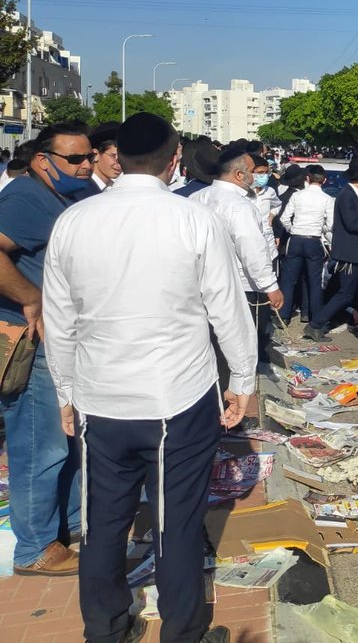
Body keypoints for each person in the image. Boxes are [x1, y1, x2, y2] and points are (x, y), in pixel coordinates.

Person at [42, 113, 256, 642]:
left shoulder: (75, 221)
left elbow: (59, 318)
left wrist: (65, 393)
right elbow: (227, 310)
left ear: (114, 157)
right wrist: (243, 381)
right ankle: (182, 631)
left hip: (100, 400)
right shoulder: (192, 220)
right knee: (177, 527)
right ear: (174, 157)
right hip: (175, 400)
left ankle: (106, 629)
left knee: (102, 526)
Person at [0, 123, 88, 578]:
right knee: (39, 443)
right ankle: (34, 547)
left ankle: (66, 527)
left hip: (60, 340)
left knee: (67, 440)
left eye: (88, 157)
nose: (86, 165)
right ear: (42, 160)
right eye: (75, 160)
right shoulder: (24, 199)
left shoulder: (64, 197)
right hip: (31, 340)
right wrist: (29, 297)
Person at [193, 147, 285, 368]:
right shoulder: (239, 206)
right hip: (240, 287)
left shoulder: (197, 197)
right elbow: (251, 247)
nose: (257, 177)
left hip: (202, 283)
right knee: (240, 346)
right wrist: (270, 286)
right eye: (253, 171)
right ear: (239, 175)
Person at [305, 155, 358, 342]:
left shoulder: (352, 195)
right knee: (345, 294)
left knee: (357, 290)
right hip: (349, 254)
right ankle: (315, 324)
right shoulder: (347, 196)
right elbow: (353, 224)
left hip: (354, 253)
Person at [278, 166, 334, 325]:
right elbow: (330, 225)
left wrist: (293, 228)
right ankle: (315, 318)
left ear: (307, 179)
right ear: (324, 180)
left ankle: (283, 316)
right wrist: (319, 228)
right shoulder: (327, 199)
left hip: (296, 239)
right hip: (314, 240)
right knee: (315, 282)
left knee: (289, 280)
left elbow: (284, 218)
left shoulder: (297, 196)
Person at [88, 122, 122, 192]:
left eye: (122, 158)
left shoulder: (115, 188)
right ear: (96, 154)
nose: (119, 164)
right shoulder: (86, 191)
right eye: (113, 156)